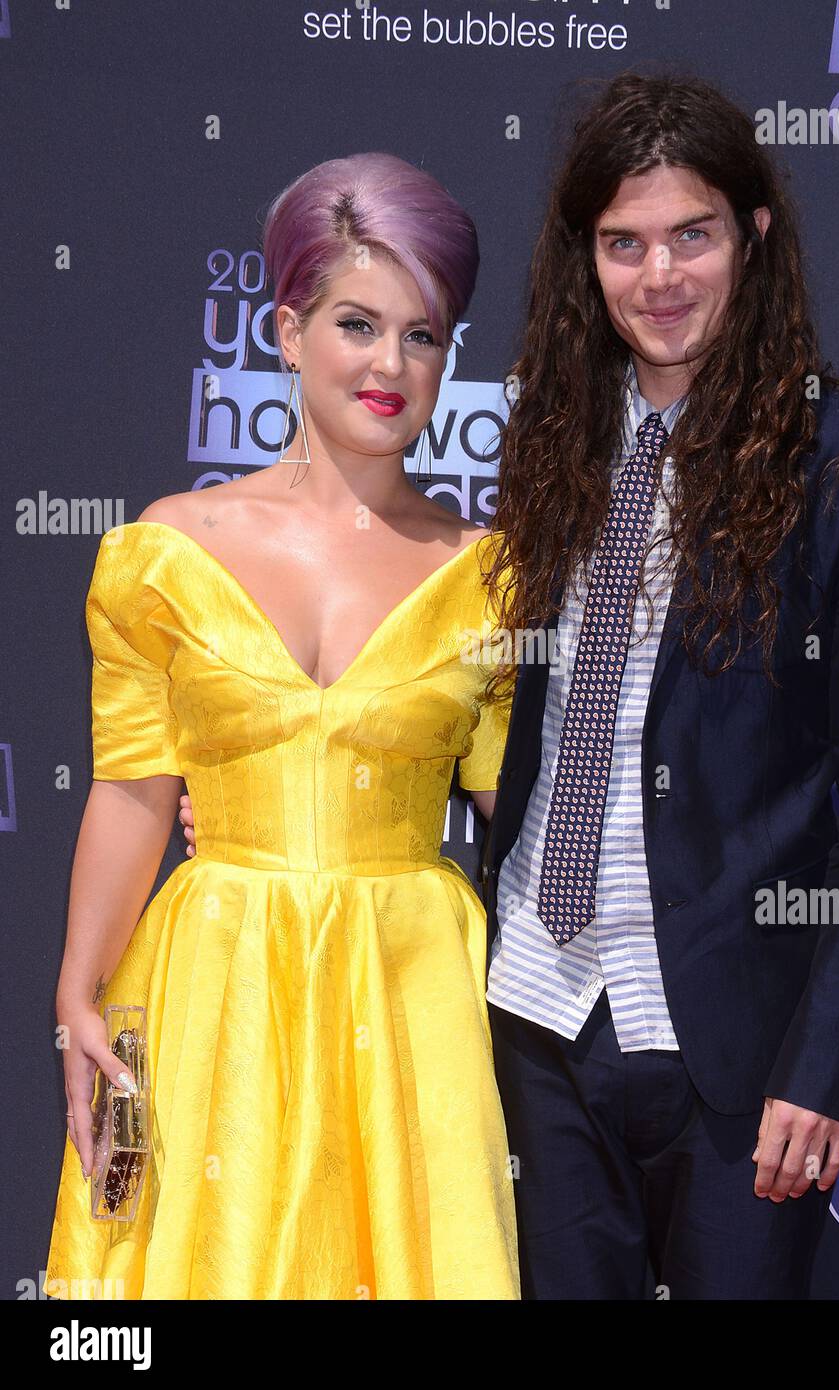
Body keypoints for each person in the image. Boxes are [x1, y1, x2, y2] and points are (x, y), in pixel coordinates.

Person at [477, 72, 839, 1299]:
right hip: (532, 1011)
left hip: (737, 1056)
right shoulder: (550, 436)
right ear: (587, 258)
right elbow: (496, 707)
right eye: (622, 244)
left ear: (756, 235)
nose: (658, 276)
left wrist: (823, 1068)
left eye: (692, 234)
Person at [45, 153, 519, 1300]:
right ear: (286, 328)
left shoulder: (492, 578)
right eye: (358, 323)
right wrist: (77, 997)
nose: (390, 365)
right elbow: (131, 792)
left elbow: (529, 817)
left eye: (424, 334)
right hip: (216, 983)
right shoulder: (167, 551)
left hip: (410, 996)